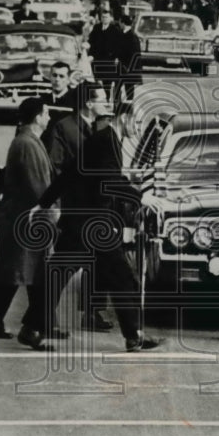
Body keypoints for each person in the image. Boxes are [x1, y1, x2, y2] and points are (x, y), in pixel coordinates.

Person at [32, 100, 164, 352]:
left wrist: (43, 203)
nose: (137, 129)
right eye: (136, 123)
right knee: (119, 277)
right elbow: (109, 181)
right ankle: (133, 335)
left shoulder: (104, 139)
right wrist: (141, 196)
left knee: (106, 277)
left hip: (86, 224)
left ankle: (33, 327)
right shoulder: (107, 141)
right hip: (90, 225)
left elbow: (71, 173)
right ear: (124, 119)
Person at [0, 98, 57, 349]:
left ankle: (40, 324)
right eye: (46, 112)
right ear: (37, 117)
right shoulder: (27, 144)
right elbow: (38, 185)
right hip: (26, 220)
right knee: (14, 274)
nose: (48, 117)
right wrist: (52, 210)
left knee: (32, 275)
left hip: (25, 219)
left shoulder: (27, 141)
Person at [41, 81, 115, 332]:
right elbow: (56, 167)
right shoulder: (64, 128)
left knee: (97, 265)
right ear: (88, 103)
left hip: (96, 209)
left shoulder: (100, 127)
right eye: (102, 99)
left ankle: (92, 313)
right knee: (65, 266)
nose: (107, 104)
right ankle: (41, 318)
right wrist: (57, 205)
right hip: (75, 209)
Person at [87, 6, 122, 91]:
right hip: (97, 58)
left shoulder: (115, 30)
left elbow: (119, 45)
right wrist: (90, 55)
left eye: (106, 17)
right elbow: (91, 41)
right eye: (103, 17)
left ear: (110, 18)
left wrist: (117, 57)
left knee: (107, 81)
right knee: (96, 79)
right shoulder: (97, 28)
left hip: (109, 60)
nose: (104, 19)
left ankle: (107, 97)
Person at [114, 13, 143, 101]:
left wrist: (129, 67)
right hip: (121, 65)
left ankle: (129, 105)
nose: (119, 24)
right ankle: (117, 105)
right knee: (117, 86)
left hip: (128, 67)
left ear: (123, 23)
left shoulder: (132, 37)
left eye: (120, 22)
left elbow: (135, 54)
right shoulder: (122, 34)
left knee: (129, 88)